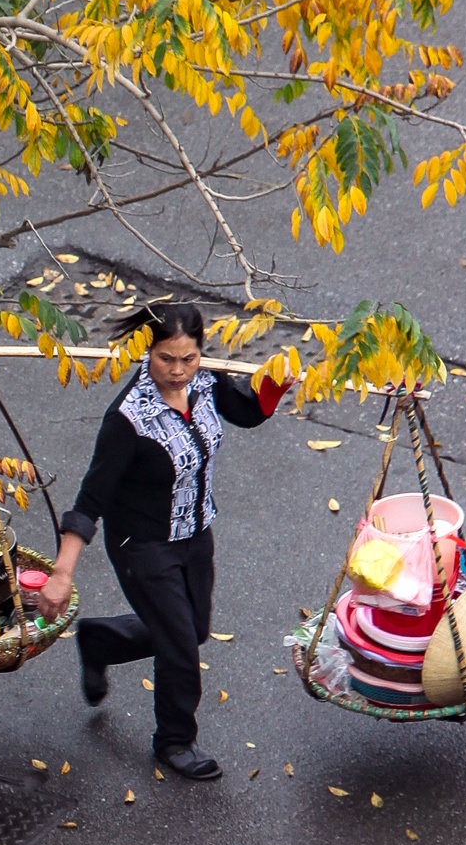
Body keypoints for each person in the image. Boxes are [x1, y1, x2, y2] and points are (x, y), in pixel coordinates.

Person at [41, 299, 287, 781]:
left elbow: (247, 411)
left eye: (188, 358)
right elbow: (91, 497)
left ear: (201, 353)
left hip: (195, 533)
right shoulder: (128, 420)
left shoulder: (207, 382)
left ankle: (99, 640)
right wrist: (62, 572)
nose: (177, 371)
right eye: (165, 359)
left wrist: (278, 382)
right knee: (180, 645)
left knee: (191, 628)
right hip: (142, 545)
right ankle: (174, 741)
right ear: (146, 352)